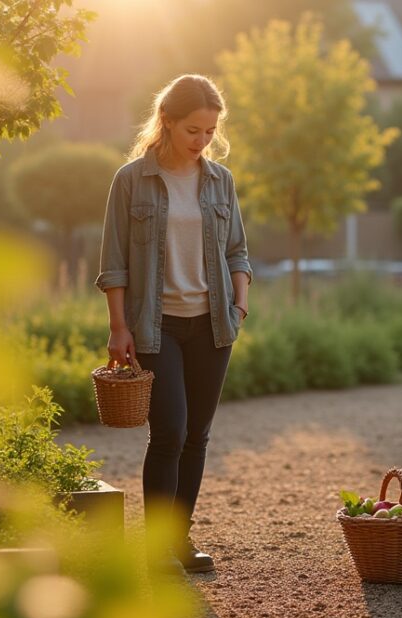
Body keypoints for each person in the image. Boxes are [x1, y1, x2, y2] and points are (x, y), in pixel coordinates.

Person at [96, 74, 251, 574]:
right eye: (193, 130)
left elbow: (238, 251)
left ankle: (179, 540)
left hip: (213, 326)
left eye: (210, 131)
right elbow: (114, 263)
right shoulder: (130, 180)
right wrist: (119, 328)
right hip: (155, 326)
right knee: (169, 432)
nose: (202, 141)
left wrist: (239, 307)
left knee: (196, 437)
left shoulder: (220, 181)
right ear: (166, 121)